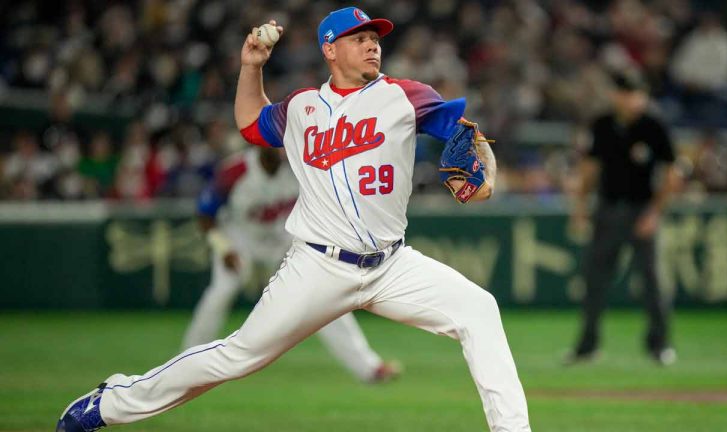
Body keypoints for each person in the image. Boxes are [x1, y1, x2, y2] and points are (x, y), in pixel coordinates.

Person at [56, 7, 531, 432]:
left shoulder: (404, 95)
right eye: (359, 38)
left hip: (391, 265)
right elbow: (249, 122)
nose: (372, 44)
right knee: (237, 356)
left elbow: (464, 134)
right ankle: (110, 404)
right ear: (330, 48)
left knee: (478, 309)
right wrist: (250, 68)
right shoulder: (301, 108)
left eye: (375, 38)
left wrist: (484, 167)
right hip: (318, 266)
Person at [184, 146, 401, 383]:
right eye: (274, 142)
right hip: (239, 242)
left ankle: (369, 369)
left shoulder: (300, 167)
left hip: (283, 243)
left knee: (324, 297)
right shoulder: (235, 171)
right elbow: (205, 214)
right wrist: (223, 247)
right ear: (260, 144)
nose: (281, 149)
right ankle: (187, 362)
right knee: (220, 293)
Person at [566, 71, 679, 366]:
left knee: (652, 281)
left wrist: (654, 213)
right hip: (607, 209)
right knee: (594, 281)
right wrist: (580, 208)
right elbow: (590, 169)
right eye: (629, 94)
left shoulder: (653, 126)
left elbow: (671, 174)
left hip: (641, 210)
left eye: (638, 94)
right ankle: (587, 346)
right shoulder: (603, 124)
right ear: (617, 95)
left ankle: (660, 345)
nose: (634, 100)